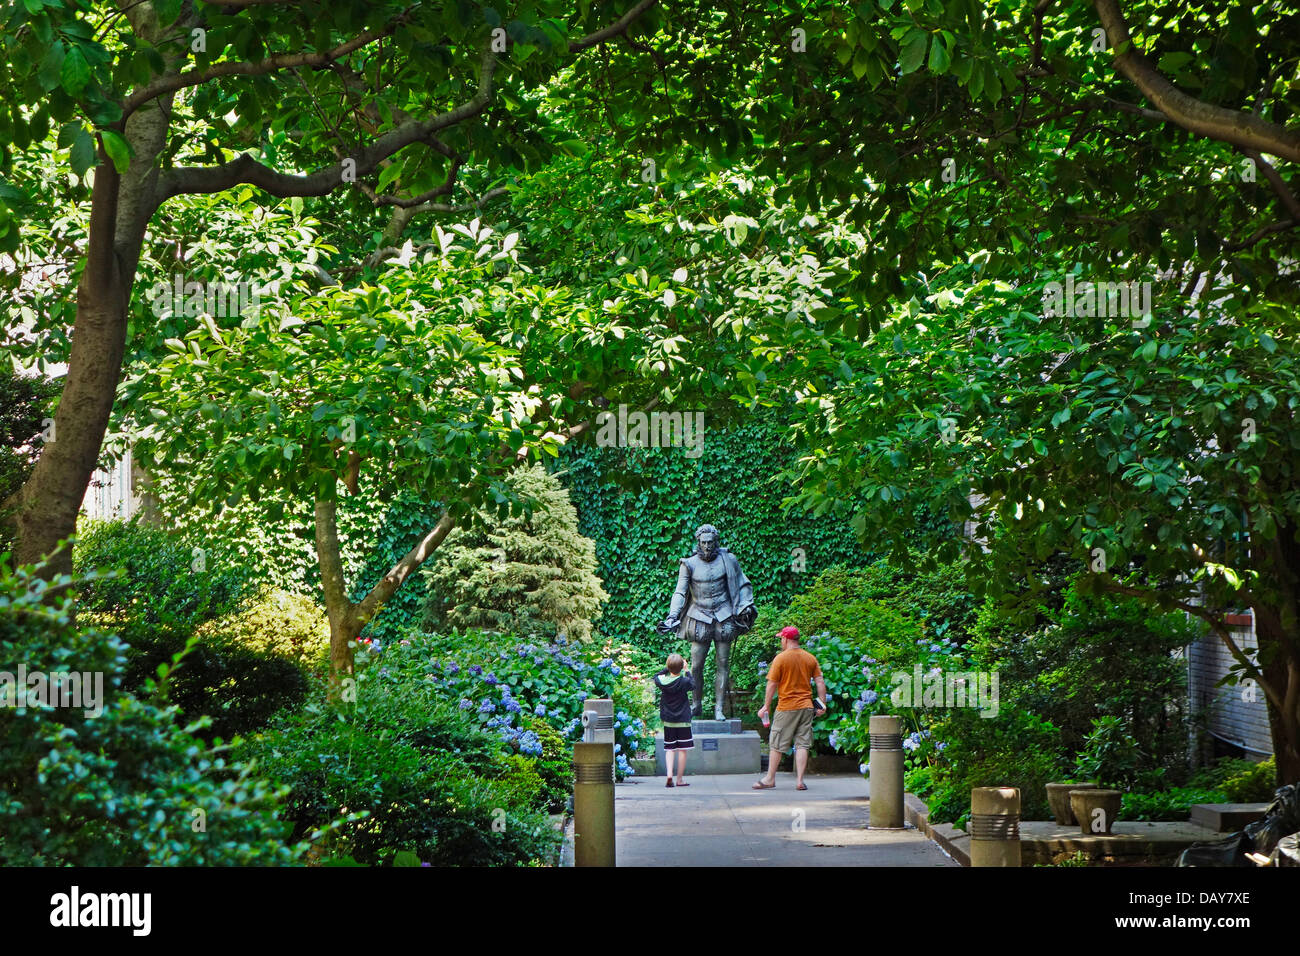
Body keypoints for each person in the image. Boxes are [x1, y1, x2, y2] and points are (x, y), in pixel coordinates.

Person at [753, 626, 826, 791]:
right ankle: (800, 781)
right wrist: (822, 704)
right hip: (807, 707)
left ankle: (770, 778)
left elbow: (772, 684)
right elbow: (820, 681)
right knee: (802, 744)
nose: (781, 642)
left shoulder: (780, 659)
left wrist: (766, 706)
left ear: (786, 639)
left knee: (777, 743)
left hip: (786, 707)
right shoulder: (810, 658)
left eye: (781, 639)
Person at [654, 653, 695, 787]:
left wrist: (667, 669)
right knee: (682, 750)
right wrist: (687, 670)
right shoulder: (684, 681)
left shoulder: (662, 681)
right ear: (681, 666)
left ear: (668, 666)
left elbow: (656, 676)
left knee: (670, 749)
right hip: (683, 720)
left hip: (668, 720)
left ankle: (669, 775)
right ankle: (679, 779)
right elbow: (693, 684)